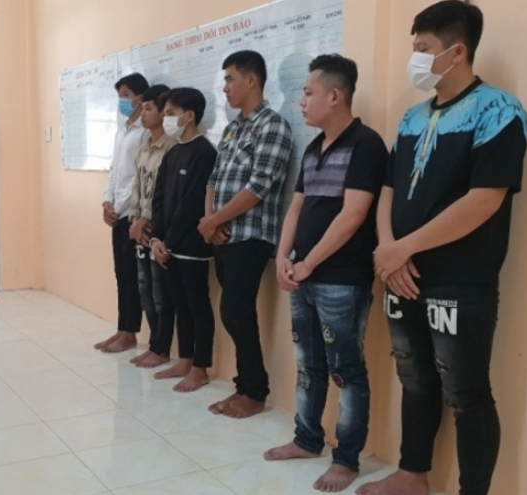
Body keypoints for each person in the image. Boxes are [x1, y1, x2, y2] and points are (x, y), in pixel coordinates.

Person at [359, 2, 527, 495]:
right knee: (414, 379)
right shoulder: (412, 117)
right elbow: (389, 187)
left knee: (466, 391)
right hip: (400, 273)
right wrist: (388, 248)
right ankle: (412, 474)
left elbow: (485, 200)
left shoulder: (500, 111)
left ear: (456, 52)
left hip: (460, 279)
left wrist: (403, 248)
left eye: (423, 48)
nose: (415, 58)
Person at [263, 54, 387, 493]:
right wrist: (283, 256)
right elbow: (297, 207)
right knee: (308, 364)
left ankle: (347, 459)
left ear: (335, 96)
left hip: (341, 279)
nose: (301, 101)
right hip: (303, 275)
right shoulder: (315, 148)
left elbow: (353, 215)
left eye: (308, 92)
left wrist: (307, 262)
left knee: (345, 371)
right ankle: (306, 438)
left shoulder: (366, 145)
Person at [200, 50, 293, 418]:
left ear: (251, 80)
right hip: (223, 234)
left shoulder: (273, 126)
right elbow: (214, 178)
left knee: (235, 312)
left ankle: (255, 391)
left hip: (252, 236)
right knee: (237, 314)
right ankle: (245, 386)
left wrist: (214, 221)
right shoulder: (232, 128)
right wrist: (210, 220)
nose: (225, 87)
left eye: (229, 79)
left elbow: (259, 187)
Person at [150, 87, 218, 392]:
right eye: (165, 113)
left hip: (191, 247)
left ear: (189, 116)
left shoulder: (205, 153)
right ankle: (185, 359)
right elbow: (159, 198)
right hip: (167, 246)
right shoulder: (172, 152)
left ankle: (201, 368)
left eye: (171, 113)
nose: (166, 118)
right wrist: (156, 239)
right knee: (178, 303)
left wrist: (169, 242)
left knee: (197, 305)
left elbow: (191, 205)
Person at [96, 73, 150, 353]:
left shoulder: (144, 132)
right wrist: (107, 202)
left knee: (133, 275)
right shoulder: (122, 130)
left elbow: (139, 178)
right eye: (119, 96)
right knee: (121, 274)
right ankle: (122, 329)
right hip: (118, 212)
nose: (122, 101)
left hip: (132, 214)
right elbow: (115, 171)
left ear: (140, 97)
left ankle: (130, 332)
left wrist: (122, 208)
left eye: (126, 95)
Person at [128, 84, 176, 368]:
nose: (143, 113)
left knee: (160, 292)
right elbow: (137, 186)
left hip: (158, 229)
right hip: (141, 229)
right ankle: (154, 343)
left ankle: (162, 347)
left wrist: (145, 220)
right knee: (144, 287)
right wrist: (135, 219)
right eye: (142, 108)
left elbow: (163, 192)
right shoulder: (143, 146)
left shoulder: (171, 147)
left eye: (149, 108)